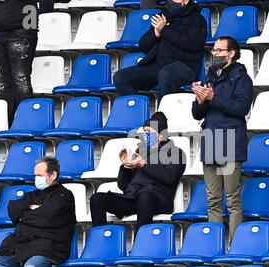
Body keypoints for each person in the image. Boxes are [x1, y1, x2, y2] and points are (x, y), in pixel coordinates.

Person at [191, 36, 254, 243]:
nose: (215, 53)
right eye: (214, 50)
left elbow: (241, 109)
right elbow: (197, 114)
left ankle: (235, 244)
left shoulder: (242, 78)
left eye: (219, 50)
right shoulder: (209, 77)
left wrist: (212, 98)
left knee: (233, 200)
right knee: (213, 199)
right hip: (211, 140)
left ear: (231, 53)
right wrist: (200, 101)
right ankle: (215, 244)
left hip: (230, 141)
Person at [90, 112, 186, 231]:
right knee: (97, 199)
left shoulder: (176, 153)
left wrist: (144, 164)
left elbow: (170, 177)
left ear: (162, 134)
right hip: (133, 198)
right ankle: (100, 242)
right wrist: (125, 167)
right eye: (145, 133)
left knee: (145, 196)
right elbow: (123, 186)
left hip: (157, 199)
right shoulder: (140, 151)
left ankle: (140, 245)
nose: (146, 136)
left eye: (150, 133)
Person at [0, 157, 76, 267]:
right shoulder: (34, 195)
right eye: (35, 175)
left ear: (53, 175)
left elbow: (47, 217)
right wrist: (32, 209)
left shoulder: (64, 196)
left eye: (40, 175)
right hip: (24, 244)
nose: (36, 179)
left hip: (49, 247)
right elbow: (13, 209)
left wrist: (26, 214)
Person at [113, 0, 207, 101]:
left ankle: (162, 115)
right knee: (120, 77)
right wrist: (156, 33)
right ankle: (138, 109)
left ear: (186, 1)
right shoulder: (161, 17)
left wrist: (164, 30)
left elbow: (191, 45)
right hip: (158, 65)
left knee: (166, 74)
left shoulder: (197, 19)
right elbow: (143, 45)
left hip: (185, 66)